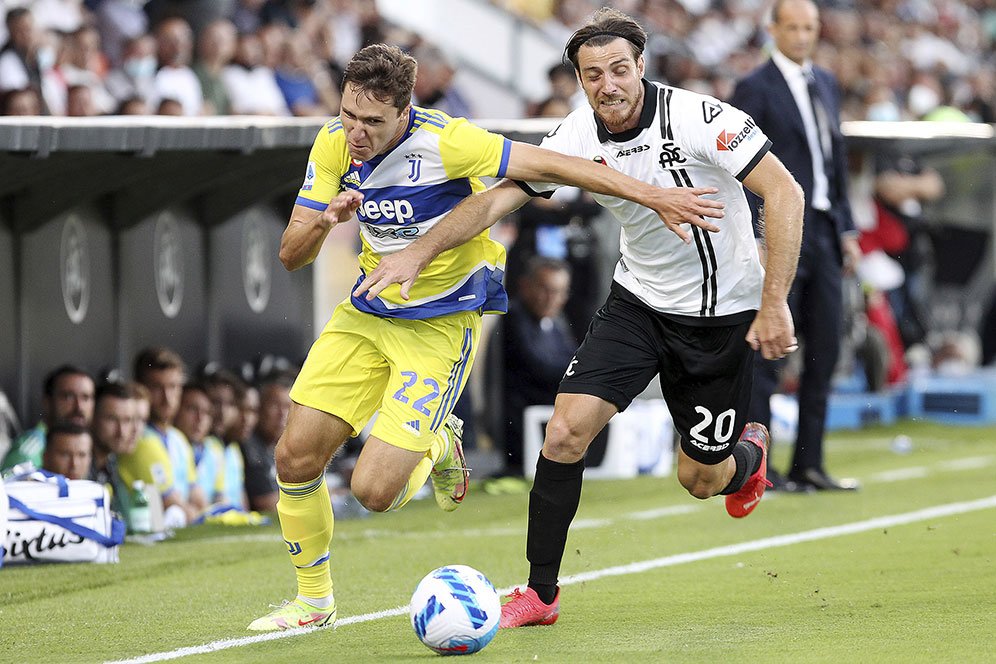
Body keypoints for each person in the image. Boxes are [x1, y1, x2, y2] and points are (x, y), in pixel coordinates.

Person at [248, 41, 727, 632]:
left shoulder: (449, 141)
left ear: (406, 113)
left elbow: (554, 167)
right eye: (348, 114)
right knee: (294, 460)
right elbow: (291, 255)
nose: (356, 131)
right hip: (367, 315)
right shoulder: (331, 146)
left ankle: (439, 444)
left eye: (372, 121)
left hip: (438, 326)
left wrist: (654, 196)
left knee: (373, 493)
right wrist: (325, 221)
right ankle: (313, 602)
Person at [355, 8, 804, 628]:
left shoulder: (702, 119)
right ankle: (541, 594)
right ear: (579, 79)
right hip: (638, 304)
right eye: (593, 75)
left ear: (641, 67)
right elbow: (497, 198)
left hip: (719, 316)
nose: (608, 85)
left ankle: (748, 458)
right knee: (565, 432)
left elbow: (784, 192)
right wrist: (418, 249)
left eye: (619, 69)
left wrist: (774, 299)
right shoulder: (576, 135)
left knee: (702, 478)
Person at [731, 0, 861, 492]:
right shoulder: (754, 87)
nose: (803, 36)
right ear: (773, 29)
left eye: (810, 27)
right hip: (783, 232)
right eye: (794, 27)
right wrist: (759, 235)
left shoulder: (824, 82)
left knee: (824, 348)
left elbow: (836, 161)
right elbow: (742, 167)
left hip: (825, 230)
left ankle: (810, 462)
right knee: (770, 347)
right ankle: (761, 468)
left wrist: (847, 229)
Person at [498, 257, 577, 476]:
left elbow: (573, 357)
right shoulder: (514, 317)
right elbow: (541, 367)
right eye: (546, 289)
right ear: (525, 285)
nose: (552, 299)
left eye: (560, 292)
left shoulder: (555, 322)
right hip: (521, 430)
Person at [1, 365, 95, 474]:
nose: (79, 407)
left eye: (86, 398)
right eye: (68, 396)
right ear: (47, 401)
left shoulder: (90, 445)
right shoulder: (28, 452)